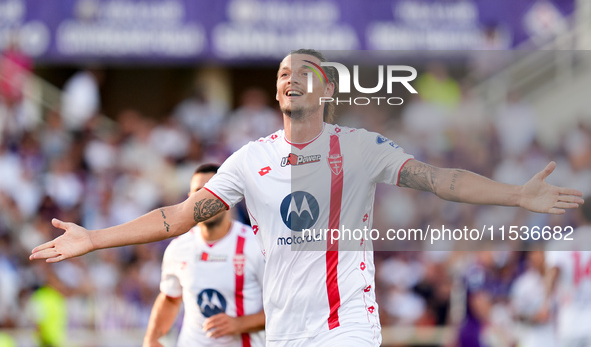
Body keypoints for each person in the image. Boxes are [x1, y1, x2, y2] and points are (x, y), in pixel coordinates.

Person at [30, 49, 584, 346]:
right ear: (277, 91)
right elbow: (177, 216)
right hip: (285, 332)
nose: (290, 77)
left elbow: (444, 180)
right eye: (282, 72)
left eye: (303, 71)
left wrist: (517, 195)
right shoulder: (250, 159)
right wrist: (95, 239)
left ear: (327, 89)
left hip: (347, 327)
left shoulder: (361, 149)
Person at [143, 164, 265, 347]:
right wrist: (151, 339)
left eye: (212, 190)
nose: (205, 198)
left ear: (228, 195)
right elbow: (170, 297)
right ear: (190, 199)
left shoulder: (256, 245)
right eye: (198, 192)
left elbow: (285, 306)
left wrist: (240, 324)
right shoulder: (178, 248)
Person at [545, 196, 591, 347]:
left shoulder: (560, 244)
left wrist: (545, 305)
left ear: (578, 215)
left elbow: (552, 276)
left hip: (570, 322)